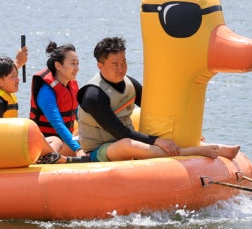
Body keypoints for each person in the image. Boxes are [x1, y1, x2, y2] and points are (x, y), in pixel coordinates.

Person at [77, 36, 240, 162]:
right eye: (115, 64)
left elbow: (155, 109)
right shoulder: (93, 95)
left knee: (161, 134)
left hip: (127, 139)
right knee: (127, 144)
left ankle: (205, 146)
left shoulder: (129, 83)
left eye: (124, 62)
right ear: (100, 66)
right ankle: (189, 152)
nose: (121, 68)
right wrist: (157, 141)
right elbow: (119, 132)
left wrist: (184, 132)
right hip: (99, 151)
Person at [0, 55, 89, 163]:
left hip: (11, 145)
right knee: (47, 138)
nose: (18, 79)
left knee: (55, 140)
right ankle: (51, 159)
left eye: (17, 75)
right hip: (5, 151)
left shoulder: (4, 99)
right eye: (13, 76)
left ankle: (50, 157)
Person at [29, 42, 84, 156]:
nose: (77, 68)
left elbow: (79, 117)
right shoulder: (46, 92)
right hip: (44, 144)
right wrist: (78, 149)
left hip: (64, 143)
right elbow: (58, 124)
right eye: (73, 63)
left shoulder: (71, 86)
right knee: (56, 140)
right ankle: (47, 159)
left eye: (78, 63)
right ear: (58, 66)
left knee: (88, 136)